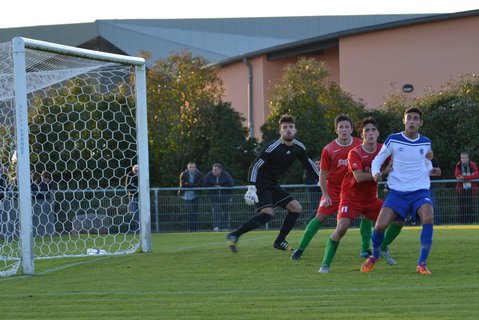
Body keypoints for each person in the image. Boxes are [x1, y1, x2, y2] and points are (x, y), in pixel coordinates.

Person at [226, 114, 320, 253]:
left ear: (295, 130)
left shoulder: (298, 147)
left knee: (296, 208)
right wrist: (251, 187)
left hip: (273, 184)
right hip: (261, 183)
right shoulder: (272, 147)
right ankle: (235, 234)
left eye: (291, 127)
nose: (288, 130)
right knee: (268, 214)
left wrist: (320, 179)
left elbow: (308, 164)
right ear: (280, 131)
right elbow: (255, 166)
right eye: (285, 127)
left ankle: (280, 240)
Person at [361, 106, 437, 275]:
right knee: (380, 226)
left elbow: (426, 163)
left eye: (415, 118)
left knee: (428, 216)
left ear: (420, 123)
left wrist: (432, 169)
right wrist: (375, 173)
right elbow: (377, 160)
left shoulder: (425, 142)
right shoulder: (393, 139)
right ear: (403, 121)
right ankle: (374, 256)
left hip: (420, 191)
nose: (412, 121)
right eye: (409, 118)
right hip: (397, 192)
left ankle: (422, 263)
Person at [291, 114, 373, 260]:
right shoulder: (329, 149)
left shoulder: (360, 145)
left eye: (347, 127)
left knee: (365, 216)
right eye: (341, 127)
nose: (344, 130)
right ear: (336, 130)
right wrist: (326, 195)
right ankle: (300, 249)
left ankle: (365, 250)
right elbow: (322, 175)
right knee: (320, 217)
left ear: (352, 129)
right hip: (334, 190)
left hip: (355, 190)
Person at [319, 117, 388, 273]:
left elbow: (401, 160)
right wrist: (382, 172)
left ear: (378, 133)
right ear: (361, 135)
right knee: (341, 228)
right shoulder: (355, 152)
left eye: (373, 130)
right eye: (366, 131)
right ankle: (325, 264)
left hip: (370, 199)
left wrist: (427, 160)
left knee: (397, 218)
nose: (370, 133)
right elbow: (359, 177)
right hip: (351, 198)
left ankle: (381, 249)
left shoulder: (383, 150)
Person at [203, 163, 234, 231]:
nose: (213, 171)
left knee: (226, 211)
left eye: (215, 170)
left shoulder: (225, 174)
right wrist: (213, 187)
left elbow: (231, 184)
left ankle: (225, 227)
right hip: (214, 197)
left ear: (220, 170)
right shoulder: (209, 174)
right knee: (216, 210)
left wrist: (221, 187)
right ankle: (216, 227)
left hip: (226, 196)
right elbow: (204, 184)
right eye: (213, 169)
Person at [454, 152, 479, 224]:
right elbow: (457, 176)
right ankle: (462, 223)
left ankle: (470, 223)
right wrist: (470, 177)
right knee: (461, 207)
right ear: (460, 158)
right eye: (462, 158)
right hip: (461, 190)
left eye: (465, 158)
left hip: (471, 189)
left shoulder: (472, 164)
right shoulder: (458, 165)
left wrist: (465, 178)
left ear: (468, 158)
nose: (464, 159)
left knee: (470, 206)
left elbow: (476, 174)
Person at [178, 161, 203, 231]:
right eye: (190, 167)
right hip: (186, 196)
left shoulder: (199, 174)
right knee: (191, 212)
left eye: (193, 167)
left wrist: (189, 184)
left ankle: (195, 228)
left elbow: (199, 185)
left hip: (195, 195)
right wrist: (192, 185)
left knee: (195, 212)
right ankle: (191, 228)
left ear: (195, 167)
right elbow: (183, 185)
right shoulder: (184, 174)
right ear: (187, 168)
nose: (192, 168)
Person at [31, 170, 57, 236]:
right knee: (37, 219)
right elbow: (34, 189)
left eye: (48, 177)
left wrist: (51, 190)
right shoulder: (37, 183)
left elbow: (53, 188)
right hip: (37, 203)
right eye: (45, 177)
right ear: (42, 176)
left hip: (46, 204)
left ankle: (48, 232)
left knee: (47, 218)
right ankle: (36, 233)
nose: (47, 179)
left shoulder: (49, 184)